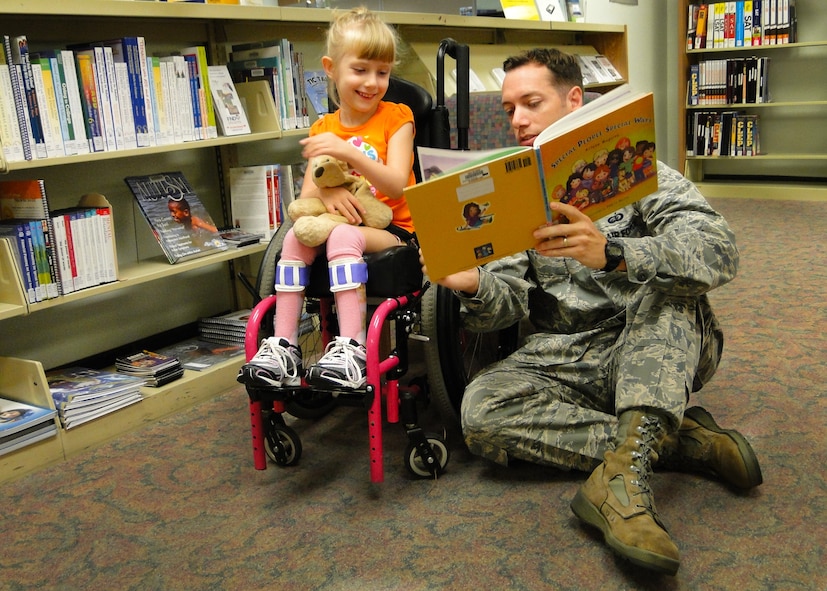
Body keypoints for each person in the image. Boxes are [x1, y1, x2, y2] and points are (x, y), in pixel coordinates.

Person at [423, 48, 763, 576]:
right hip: (568, 353)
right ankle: (673, 443)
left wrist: (615, 254)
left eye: (531, 103)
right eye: (510, 108)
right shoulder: (511, 192)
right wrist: (472, 285)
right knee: (482, 410)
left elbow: (719, 249)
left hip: (655, 338)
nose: (518, 119)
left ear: (573, 99)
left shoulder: (641, 170)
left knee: (666, 291)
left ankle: (622, 487)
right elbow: (503, 306)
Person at [238, 7, 416, 390]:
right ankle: (284, 346)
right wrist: (331, 188)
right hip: (340, 225)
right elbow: (306, 199)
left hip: (395, 230)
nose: (372, 82)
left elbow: (398, 185)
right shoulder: (324, 127)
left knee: (340, 237)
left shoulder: (397, 118)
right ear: (331, 68)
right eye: (361, 69)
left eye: (382, 72)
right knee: (295, 235)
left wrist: (348, 153)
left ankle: (351, 348)